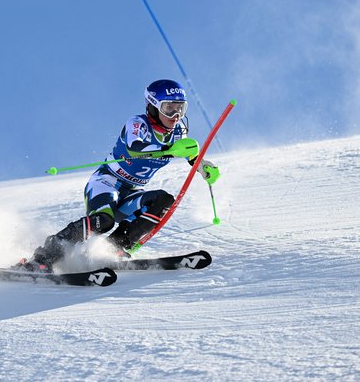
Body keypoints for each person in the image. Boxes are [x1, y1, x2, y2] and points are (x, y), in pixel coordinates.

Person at [14, 79, 220, 272]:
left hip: (131, 191)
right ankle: (42, 258)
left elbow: (192, 157)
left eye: (180, 109)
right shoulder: (138, 124)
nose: (175, 115)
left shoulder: (177, 132)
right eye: (169, 108)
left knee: (164, 200)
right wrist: (170, 149)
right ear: (153, 106)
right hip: (107, 182)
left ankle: (114, 249)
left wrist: (204, 168)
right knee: (103, 221)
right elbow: (135, 148)